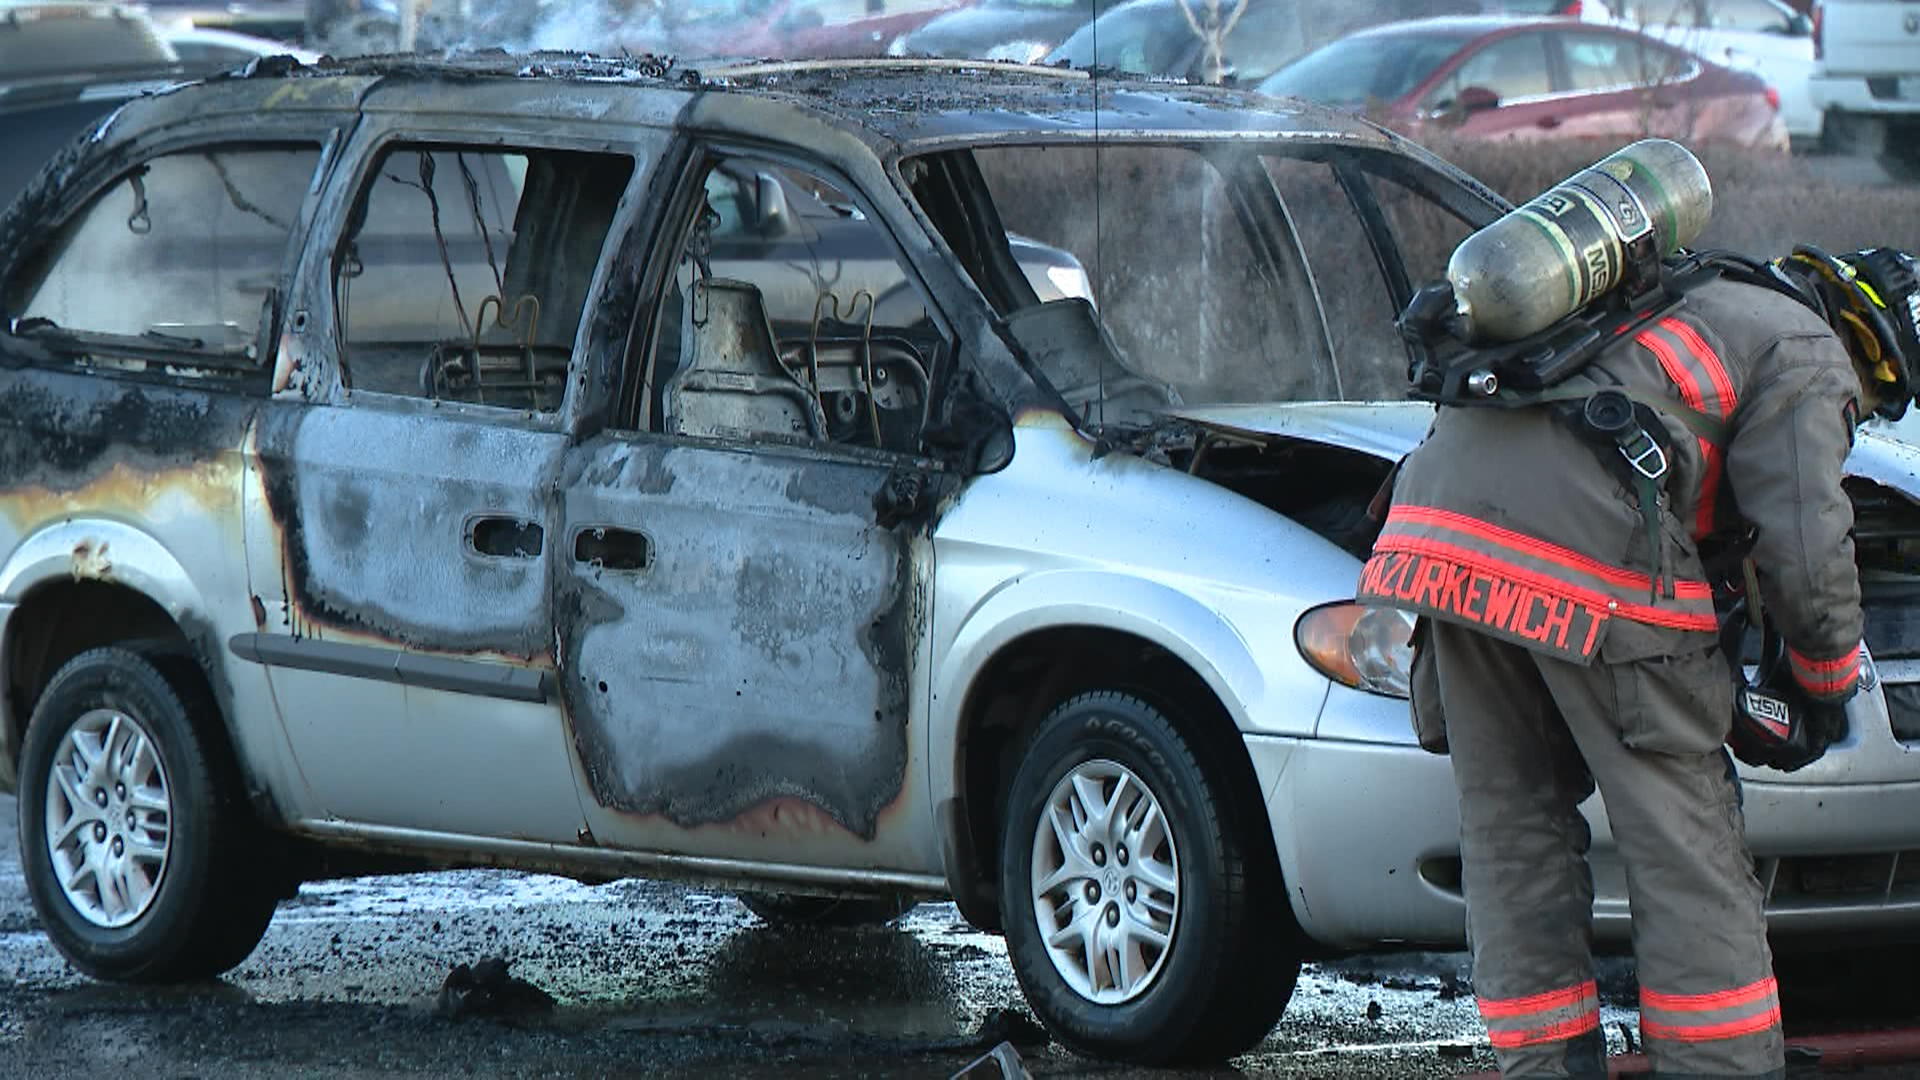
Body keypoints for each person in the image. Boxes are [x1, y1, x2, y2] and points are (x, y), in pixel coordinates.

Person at [1358, 245, 1920, 1079]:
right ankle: (1723, 1067)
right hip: (1591, 555)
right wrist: (1825, 683)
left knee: (1513, 833)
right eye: (1870, 407)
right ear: (1879, 347)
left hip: (1443, 546)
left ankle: (1544, 1068)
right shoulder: (1807, 350)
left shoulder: (1687, 294)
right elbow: (1806, 546)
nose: (1859, 418)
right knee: (1684, 843)